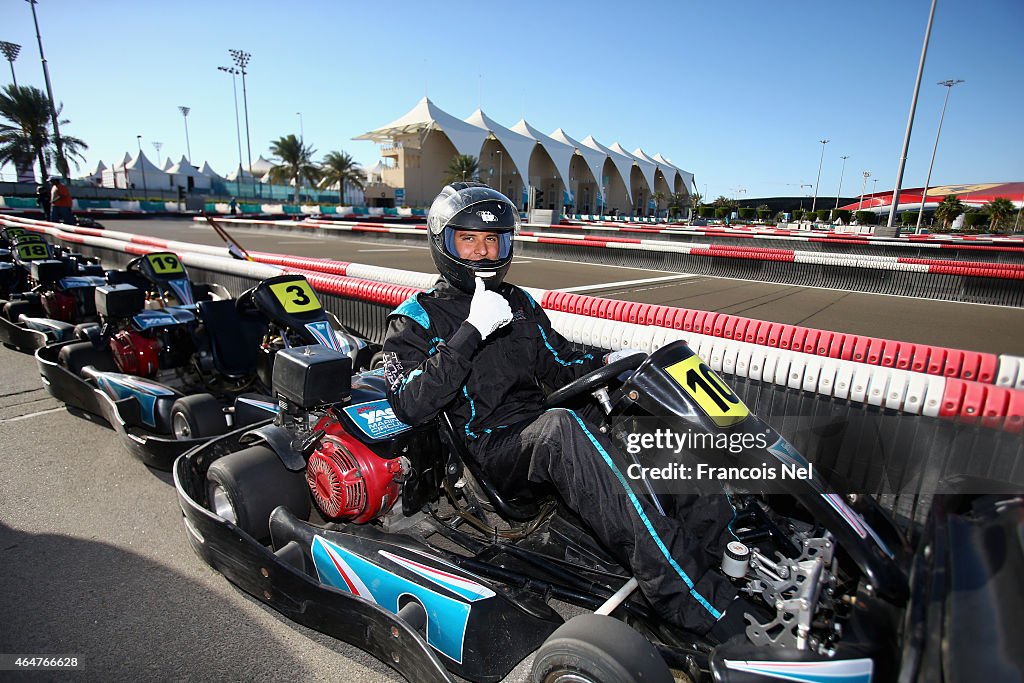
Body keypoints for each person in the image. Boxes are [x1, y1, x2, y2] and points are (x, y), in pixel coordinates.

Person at [382, 182, 745, 638]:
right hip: (489, 454)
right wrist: (472, 330)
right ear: (444, 243)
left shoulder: (518, 303)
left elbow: (560, 362)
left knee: (644, 417)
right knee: (562, 428)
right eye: (469, 240)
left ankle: (723, 550)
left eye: (493, 240)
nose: (482, 252)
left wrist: (610, 361)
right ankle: (696, 604)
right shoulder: (416, 317)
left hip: (540, 426)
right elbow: (410, 402)